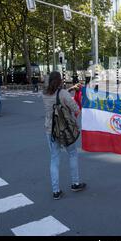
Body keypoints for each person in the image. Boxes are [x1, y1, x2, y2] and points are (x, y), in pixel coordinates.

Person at [42, 71, 85, 200]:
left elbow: (56, 94)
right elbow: (76, 109)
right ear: (60, 80)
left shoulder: (44, 94)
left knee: (54, 159)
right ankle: (75, 183)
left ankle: (56, 191)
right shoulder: (64, 94)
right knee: (72, 154)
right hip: (65, 131)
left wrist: (70, 89)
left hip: (50, 130)